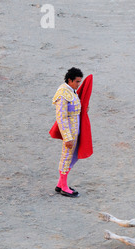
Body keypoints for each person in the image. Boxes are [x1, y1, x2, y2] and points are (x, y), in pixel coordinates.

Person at [52, 67, 83, 197]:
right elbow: (61, 118)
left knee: (71, 156)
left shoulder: (71, 90)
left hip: (74, 130)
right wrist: (67, 137)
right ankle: (64, 187)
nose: (78, 84)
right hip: (69, 132)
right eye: (77, 81)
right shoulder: (62, 94)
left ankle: (60, 184)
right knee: (66, 157)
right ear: (69, 80)